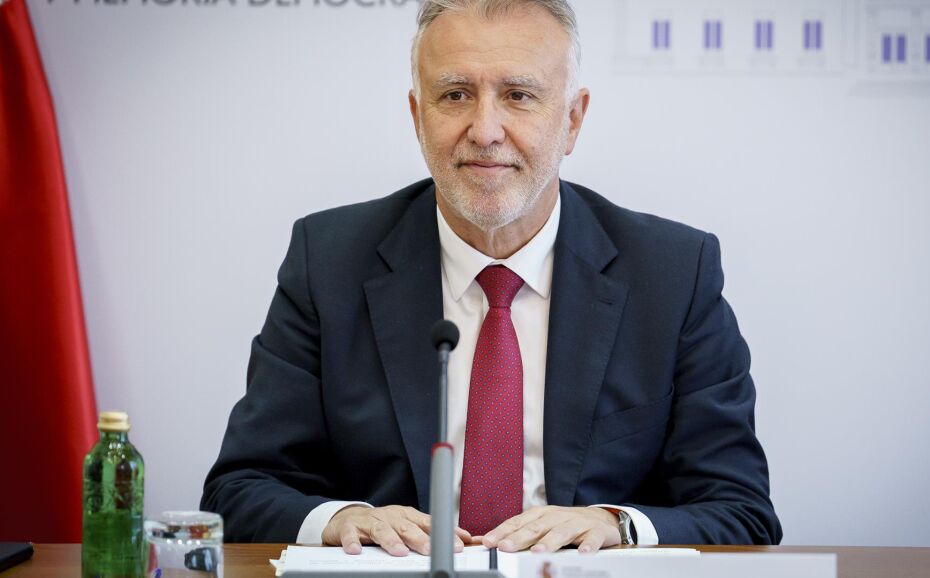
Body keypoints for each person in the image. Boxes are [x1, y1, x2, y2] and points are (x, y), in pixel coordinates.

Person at [201, 0, 782, 554]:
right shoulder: (329, 262)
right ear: (417, 116)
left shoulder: (672, 273)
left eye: (518, 96)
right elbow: (239, 491)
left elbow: (742, 511)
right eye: (455, 95)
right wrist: (341, 521)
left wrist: (616, 525)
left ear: (572, 120)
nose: (485, 131)